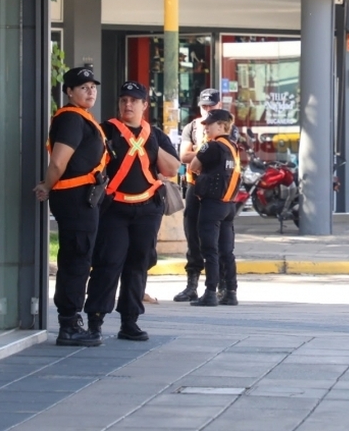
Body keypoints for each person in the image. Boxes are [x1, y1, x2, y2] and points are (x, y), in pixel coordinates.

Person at [84, 82, 180, 342]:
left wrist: (147, 141)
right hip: (114, 208)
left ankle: (130, 321)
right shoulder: (106, 130)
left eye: (134, 101)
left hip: (147, 209)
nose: (128, 105)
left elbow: (172, 169)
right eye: (124, 100)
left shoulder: (156, 134)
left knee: (138, 265)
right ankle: (95, 321)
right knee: (108, 263)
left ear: (144, 106)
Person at [34, 67, 108, 347]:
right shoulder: (70, 119)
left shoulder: (82, 119)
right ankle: (69, 323)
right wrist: (46, 186)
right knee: (76, 259)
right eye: (83, 87)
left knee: (80, 257)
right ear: (69, 92)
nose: (90, 92)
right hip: (75, 198)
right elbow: (57, 162)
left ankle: (71, 320)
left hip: (83, 197)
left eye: (92, 87)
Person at [174, 88, 238, 302]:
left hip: (217, 194)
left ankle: (217, 288)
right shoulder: (192, 127)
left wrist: (202, 154)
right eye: (204, 107)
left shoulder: (224, 132)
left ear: (219, 107)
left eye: (212, 106)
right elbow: (183, 156)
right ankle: (193, 284)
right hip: (196, 189)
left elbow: (197, 160)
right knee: (194, 237)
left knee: (215, 243)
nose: (207, 110)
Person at [188, 109, 241, 306]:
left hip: (212, 204)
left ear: (221, 125)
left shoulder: (211, 146)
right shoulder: (233, 147)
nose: (206, 127)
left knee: (209, 249)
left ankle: (210, 292)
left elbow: (193, 166)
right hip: (228, 205)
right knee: (226, 251)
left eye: (209, 124)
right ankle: (231, 291)